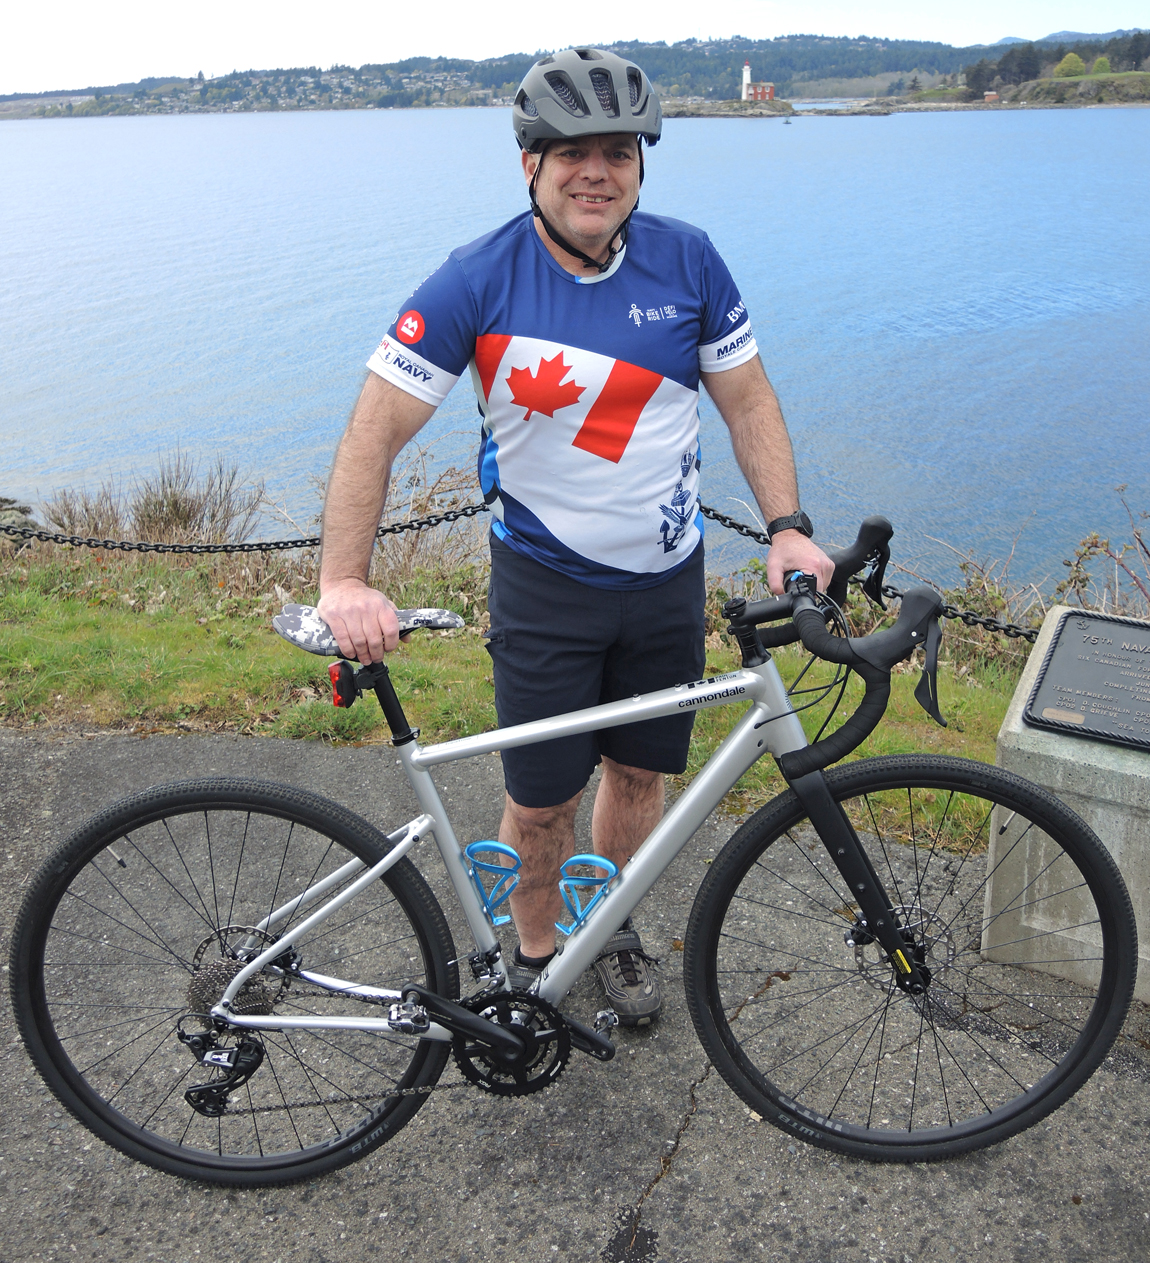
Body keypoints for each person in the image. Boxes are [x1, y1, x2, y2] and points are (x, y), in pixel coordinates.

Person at [317, 48, 833, 1026]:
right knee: (542, 801)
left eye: (618, 153)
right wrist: (344, 580)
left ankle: (609, 923)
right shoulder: (479, 279)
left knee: (640, 775)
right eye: (571, 154)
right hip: (546, 589)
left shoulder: (689, 260)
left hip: (667, 583)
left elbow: (750, 401)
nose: (597, 172)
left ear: (641, 166)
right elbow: (372, 429)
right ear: (530, 166)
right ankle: (537, 946)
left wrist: (788, 528)